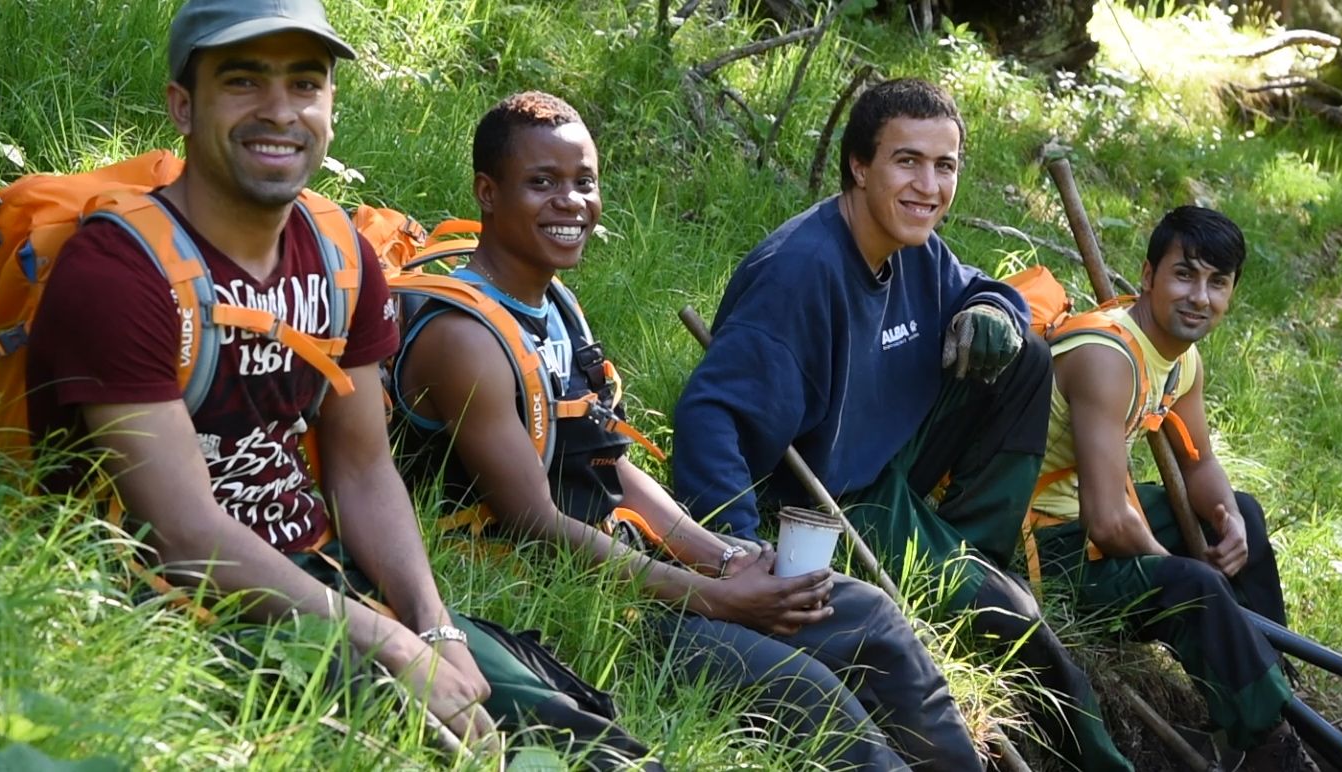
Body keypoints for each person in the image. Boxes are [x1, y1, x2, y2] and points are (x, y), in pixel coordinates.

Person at [25, 3, 653, 768]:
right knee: (433, 747)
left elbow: (362, 467)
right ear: (183, 106)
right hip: (171, 605)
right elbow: (185, 537)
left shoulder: (338, 256)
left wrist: (432, 628)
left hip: (326, 584)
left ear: (328, 106)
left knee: (583, 741)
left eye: (305, 83)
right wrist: (388, 642)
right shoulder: (119, 272)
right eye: (243, 82)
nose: (280, 111)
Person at [388, 91, 984, 772]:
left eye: (584, 182)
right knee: (813, 697)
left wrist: (724, 554)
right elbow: (533, 522)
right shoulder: (465, 337)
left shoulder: (555, 304)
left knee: (870, 616)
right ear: (487, 193)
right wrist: (719, 596)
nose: (570, 203)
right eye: (541, 183)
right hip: (576, 595)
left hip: (632, 561)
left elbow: (608, 463)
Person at [670, 77, 1132, 771]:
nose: (928, 185)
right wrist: (734, 552)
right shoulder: (800, 276)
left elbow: (985, 289)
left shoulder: (911, 243)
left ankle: (969, 551)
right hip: (826, 498)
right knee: (1019, 627)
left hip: (884, 453)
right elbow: (709, 418)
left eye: (943, 166)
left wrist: (994, 316)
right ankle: (1094, 755)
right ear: (860, 165)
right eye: (906, 161)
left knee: (1026, 358)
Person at [1029, 206, 1315, 770]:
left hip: (1088, 524)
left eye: (1218, 283)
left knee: (1247, 520)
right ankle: (1267, 743)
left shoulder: (1181, 362)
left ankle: (1269, 678)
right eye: (1184, 274)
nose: (1199, 297)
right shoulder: (1107, 357)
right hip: (1042, 550)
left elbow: (1199, 462)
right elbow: (1110, 522)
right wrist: (1185, 571)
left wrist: (1227, 517)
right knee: (1193, 585)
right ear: (1148, 276)